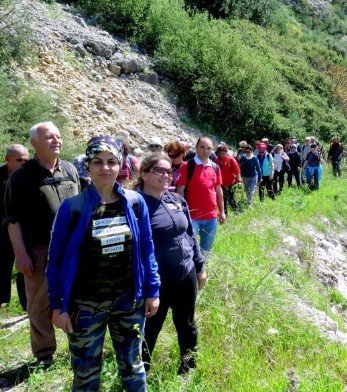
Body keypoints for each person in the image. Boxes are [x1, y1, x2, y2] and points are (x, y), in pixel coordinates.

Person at [47, 136, 159, 391]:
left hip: (128, 301)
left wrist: (152, 291)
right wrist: (58, 306)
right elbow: (55, 262)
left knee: (133, 367)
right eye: (97, 162)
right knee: (85, 374)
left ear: (120, 165)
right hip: (85, 305)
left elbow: (146, 250)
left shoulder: (133, 202)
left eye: (111, 162)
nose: (105, 168)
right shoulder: (72, 208)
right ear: (88, 165)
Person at [5, 122, 80, 366]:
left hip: (72, 249)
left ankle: (80, 346)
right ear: (34, 143)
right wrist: (20, 254)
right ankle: (45, 355)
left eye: (58, 136)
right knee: (38, 305)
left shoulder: (70, 169)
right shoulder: (21, 176)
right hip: (38, 250)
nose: (56, 140)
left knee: (76, 298)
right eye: (49, 137)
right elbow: (11, 218)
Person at [136, 154, 205, 374]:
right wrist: (147, 288)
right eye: (159, 170)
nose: (166, 175)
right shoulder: (135, 205)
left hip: (186, 273)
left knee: (187, 324)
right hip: (157, 281)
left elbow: (190, 235)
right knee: (150, 329)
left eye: (168, 171)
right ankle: (141, 375)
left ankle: (188, 368)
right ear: (144, 173)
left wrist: (200, 267)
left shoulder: (176, 199)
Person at [176, 137, 225, 258]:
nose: (205, 151)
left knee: (206, 250)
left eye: (209, 148)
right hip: (191, 216)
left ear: (212, 150)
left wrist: (222, 211)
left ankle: (202, 272)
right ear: (196, 147)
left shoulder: (215, 167)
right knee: (187, 248)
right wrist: (181, 212)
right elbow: (180, 190)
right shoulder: (187, 166)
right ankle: (190, 273)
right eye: (202, 147)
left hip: (211, 217)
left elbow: (219, 191)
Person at [1, 144, 29, 310]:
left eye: (26, 160)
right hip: (2, 231)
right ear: (7, 160)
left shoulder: (29, 177)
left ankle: (27, 305)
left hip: (22, 230)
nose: (23, 163)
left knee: (25, 269)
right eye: (19, 160)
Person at [215, 143, 241, 215]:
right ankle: (224, 214)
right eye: (220, 153)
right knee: (223, 199)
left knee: (230, 198)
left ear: (226, 152)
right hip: (221, 184)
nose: (222, 155)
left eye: (223, 153)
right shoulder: (216, 161)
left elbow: (237, 171)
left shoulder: (231, 160)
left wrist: (239, 181)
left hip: (231, 183)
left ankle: (237, 211)